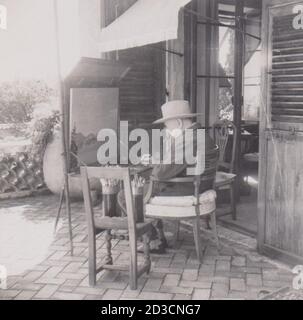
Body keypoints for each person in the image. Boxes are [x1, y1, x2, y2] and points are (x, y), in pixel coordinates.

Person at [118, 100, 217, 253]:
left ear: (178, 122)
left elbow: (160, 174)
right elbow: (178, 164)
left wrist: (157, 164)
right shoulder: (200, 135)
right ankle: (158, 236)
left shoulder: (188, 140)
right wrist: (159, 161)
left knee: (125, 194)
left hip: (185, 188)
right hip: (197, 185)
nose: (166, 128)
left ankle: (153, 240)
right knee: (142, 186)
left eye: (167, 124)